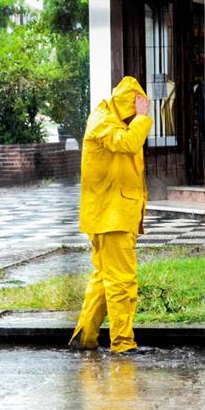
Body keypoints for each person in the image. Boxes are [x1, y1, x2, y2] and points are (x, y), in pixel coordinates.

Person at [68, 76, 153, 354]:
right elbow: (127, 144)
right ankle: (123, 343)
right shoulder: (103, 121)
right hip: (111, 216)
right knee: (122, 282)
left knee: (103, 281)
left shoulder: (115, 121)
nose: (136, 118)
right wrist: (141, 118)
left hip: (114, 215)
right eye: (133, 111)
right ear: (127, 105)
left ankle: (85, 337)